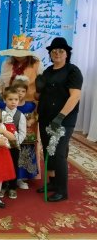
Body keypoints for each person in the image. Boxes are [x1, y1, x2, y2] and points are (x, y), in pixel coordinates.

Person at [35, 37, 83, 202]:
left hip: (63, 119)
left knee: (59, 153)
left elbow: (75, 96)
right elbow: (39, 96)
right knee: (48, 150)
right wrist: (38, 89)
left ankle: (62, 191)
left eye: (61, 51)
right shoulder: (47, 71)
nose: (57, 53)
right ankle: (53, 183)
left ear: (67, 54)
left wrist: (60, 117)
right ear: (50, 54)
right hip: (45, 117)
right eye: (54, 51)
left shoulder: (73, 71)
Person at [12, 76, 40, 187]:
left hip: (26, 138)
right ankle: (11, 179)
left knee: (24, 156)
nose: (20, 93)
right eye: (17, 91)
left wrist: (31, 121)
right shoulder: (8, 104)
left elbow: (35, 116)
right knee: (13, 157)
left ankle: (21, 178)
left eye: (23, 91)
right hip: (12, 137)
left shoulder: (30, 105)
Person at [0, 33, 44, 101]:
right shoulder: (7, 63)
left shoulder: (37, 64)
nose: (18, 56)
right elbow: (1, 82)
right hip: (10, 102)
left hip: (29, 102)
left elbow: (41, 83)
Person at [0, 87, 26, 200]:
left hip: (14, 147)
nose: (13, 102)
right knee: (1, 166)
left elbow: (22, 132)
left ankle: (12, 187)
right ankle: (2, 186)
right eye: (10, 99)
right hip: (1, 145)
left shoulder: (20, 115)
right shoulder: (0, 113)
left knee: (13, 166)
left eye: (16, 99)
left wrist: (16, 142)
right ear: (5, 100)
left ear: (19, 101)